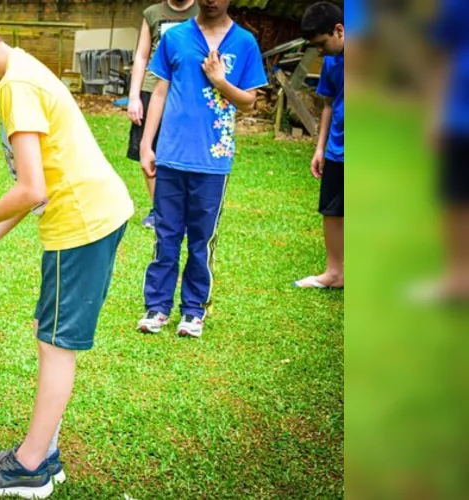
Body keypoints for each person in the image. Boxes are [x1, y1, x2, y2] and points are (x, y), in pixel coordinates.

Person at [0, 5, 134, 498]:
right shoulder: (19, 70)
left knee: (55, 347)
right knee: (49, 334)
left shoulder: (17, 87)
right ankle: (45, 451)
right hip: (81, 221)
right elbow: (30, 187)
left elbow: (30, 190)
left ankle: (31, 467)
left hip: (81, 225)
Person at [137, 0, 268, 338]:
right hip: (171, 155)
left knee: (201, 238)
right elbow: (161, 91)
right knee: (165, 234)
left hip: (213, 161)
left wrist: (220, 81)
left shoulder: (245, 43)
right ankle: (157, 307)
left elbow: (249, 99)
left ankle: (193, 311)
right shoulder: (174, 36)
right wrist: (147, 143)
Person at [126, 0, 199, 229]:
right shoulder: (152, 13)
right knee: (148, 150)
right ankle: (159, 210)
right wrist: (134, 97)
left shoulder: (203, 11)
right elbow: (141, 56)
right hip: (152, 88)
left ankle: (184, 210)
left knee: (185, 153)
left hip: (188, 90)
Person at [414, 0, 469, 302]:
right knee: (455, 200)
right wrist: (435, 115)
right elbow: (441, 57)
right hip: (460, 118)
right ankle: (457, 280)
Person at [294, 2, 345, 289]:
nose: (321, 51)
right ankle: (334, 273)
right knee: (332, 210)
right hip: (339, 148)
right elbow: (328, 104)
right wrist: (319, 148)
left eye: (323, 44)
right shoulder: (331, 62)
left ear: (339, 30)